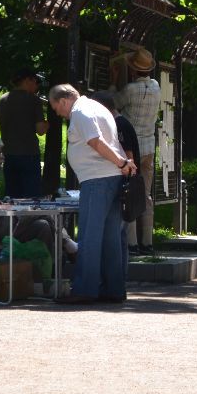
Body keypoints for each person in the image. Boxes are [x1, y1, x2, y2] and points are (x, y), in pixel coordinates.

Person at [49, 83, 137, 304]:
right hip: (110, 178)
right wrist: (120, 165)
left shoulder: (80, 111)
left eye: (55, 107)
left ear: (63, 100)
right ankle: (113, 289)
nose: (57, 113)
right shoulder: (98, 107)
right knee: (110, 239)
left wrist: (121, 162)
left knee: (88, 236)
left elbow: (95, 141)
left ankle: (84, 289)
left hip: (97, 180)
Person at [0, 135, 77, 256]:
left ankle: (46, 271)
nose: (2, 156)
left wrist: (8, 204)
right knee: (42, 210)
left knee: (42, 226)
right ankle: (68, 244)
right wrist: (11, 207)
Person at [90, 91, 149, 255]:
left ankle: (130, 249)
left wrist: (125, 175)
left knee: (120, 228)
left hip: (125, 181)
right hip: (127, 179)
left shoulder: (119, 125)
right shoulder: (121, 122)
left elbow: (128, 154)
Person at [116, 48, 161, 256]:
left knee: (130, 192)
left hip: (130, 149)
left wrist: (113, 81)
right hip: (149, 147)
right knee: (145, 194)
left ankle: (132, 242)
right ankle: (148, 241)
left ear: (133, 70)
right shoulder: (156, 87)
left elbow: (114, 104)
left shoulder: (129, 89)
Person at [0, 68, 48, 198]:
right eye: (36, 82)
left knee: (12, 195)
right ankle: (29, 219)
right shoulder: (34, 100)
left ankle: (12, 219)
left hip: (8, 153)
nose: (37, 86)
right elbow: (40, 130)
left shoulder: (2, 100)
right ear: (27, 80)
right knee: (31, 197)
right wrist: (48, 123)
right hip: (29, 154)